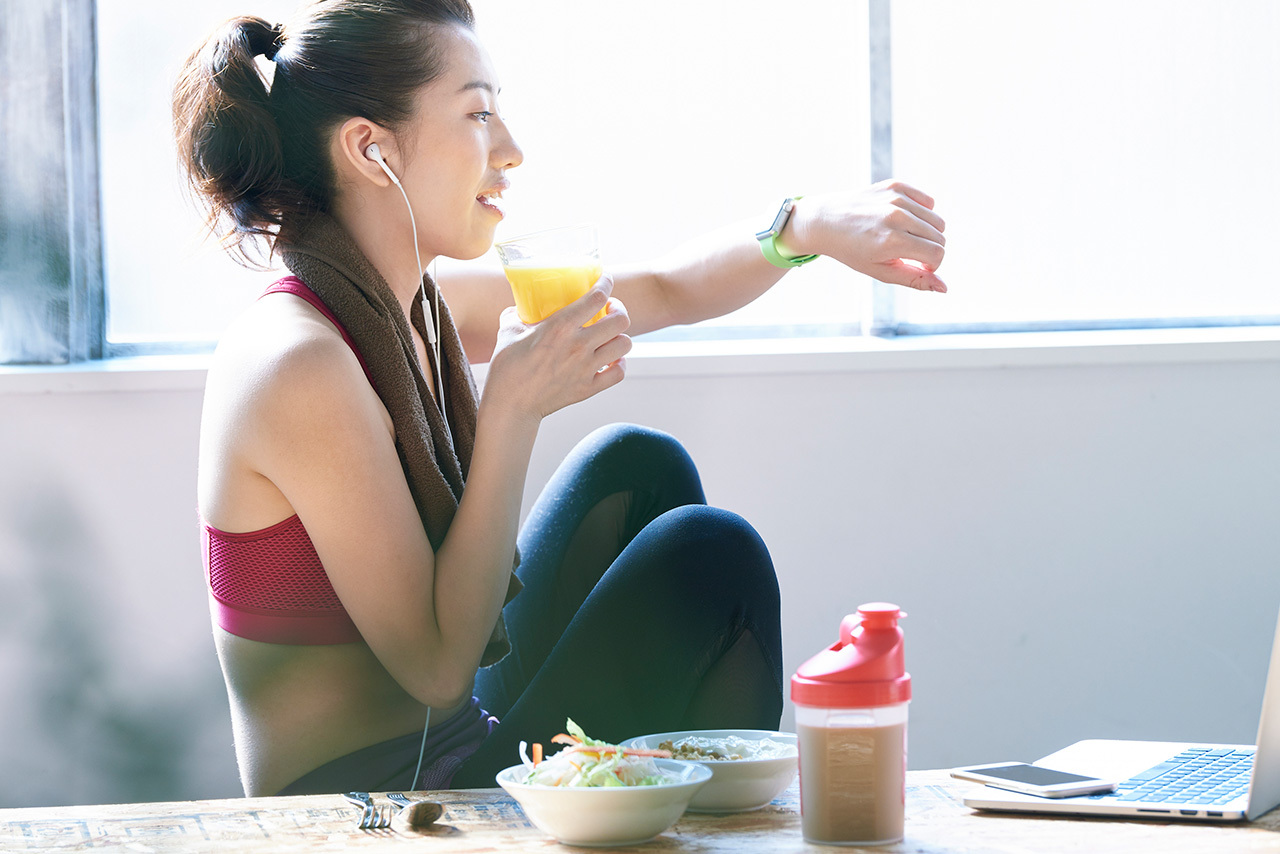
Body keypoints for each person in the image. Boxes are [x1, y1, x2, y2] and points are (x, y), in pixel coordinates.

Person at [174, 0, 947, 797]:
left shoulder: (414, 303)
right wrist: (511, 410)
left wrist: (805, 225)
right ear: (372, 149)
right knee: (712, 557)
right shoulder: (300, 360)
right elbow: (438, 669)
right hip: (375, 805)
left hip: (458, 741)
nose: (511, 150)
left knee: (637, 465)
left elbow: (665, 289)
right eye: (478, 113)